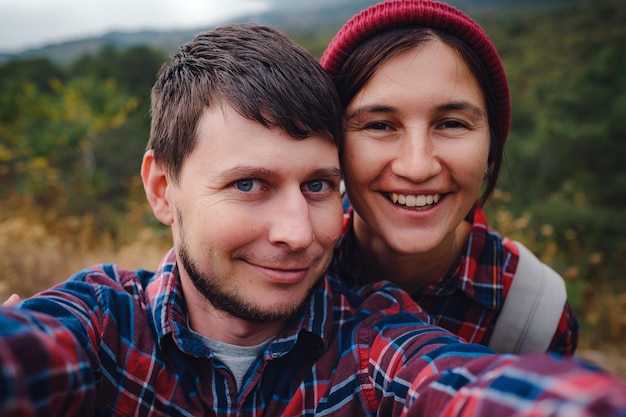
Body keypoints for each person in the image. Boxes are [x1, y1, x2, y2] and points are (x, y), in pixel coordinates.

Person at [1, 21, 626, 417]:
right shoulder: (106, 323)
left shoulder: (371, 332)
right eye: (249, 184)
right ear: (163, 189)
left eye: (319, 186)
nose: (298, 233)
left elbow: (446, 379)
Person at [321, 0, 578, 355]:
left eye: (452, 124)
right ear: (333, 144)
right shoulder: (285, 271)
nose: (417, 166)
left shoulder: (535, 315)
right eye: (379, 125)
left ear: (491, 145)